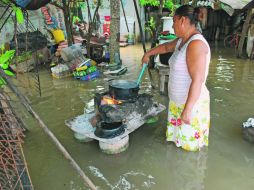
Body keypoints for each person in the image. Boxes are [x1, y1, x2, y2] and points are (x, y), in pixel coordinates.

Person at [142, 5, 211, 151]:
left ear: (183, 20)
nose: (172, 26)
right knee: (176, 144)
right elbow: (166, 47)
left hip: (191, 106)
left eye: (174, 21)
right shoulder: (182, 40)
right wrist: (148, 54)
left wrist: (187, 109)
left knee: (189, 149)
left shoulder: (196, 44)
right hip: (178, 103)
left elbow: (197, 80)